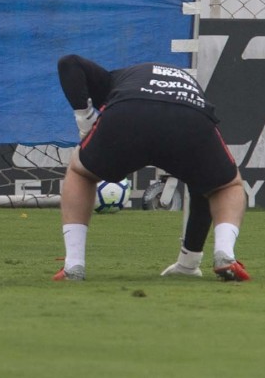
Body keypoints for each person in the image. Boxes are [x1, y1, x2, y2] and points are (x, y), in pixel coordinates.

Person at [54, 54, 249, 282]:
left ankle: (74, 266)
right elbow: (202, 189)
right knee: (221, 186)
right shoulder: (167, 79)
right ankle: (219, 255)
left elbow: (68, 62)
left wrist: (85, 120)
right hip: (190, 116)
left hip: (129, 112)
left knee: (81, 173)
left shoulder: (111, 80)